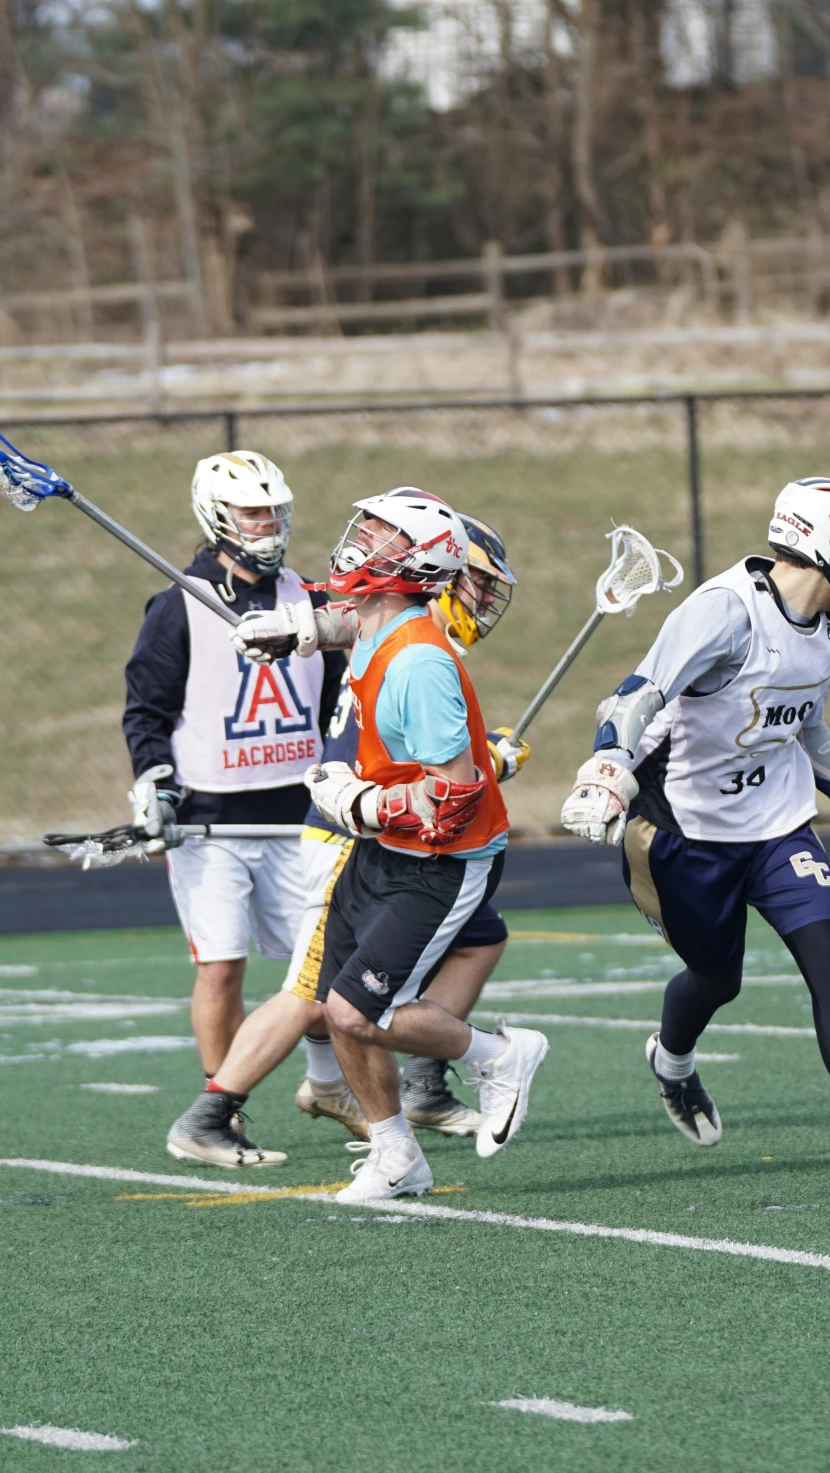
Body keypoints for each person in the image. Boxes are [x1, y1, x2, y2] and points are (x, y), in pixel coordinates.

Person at [560, 477, 830, 1182]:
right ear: (829, 545)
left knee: (828, 953)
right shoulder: (724, 612)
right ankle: (672, 1061)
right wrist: (605, 768)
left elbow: (803, 720)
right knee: (716, 978)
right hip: (688, 827)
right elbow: (639, 694)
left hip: (778, 824)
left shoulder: (821, 629)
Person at [163, 516, 524, 1166]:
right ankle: (212, 1110)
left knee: (480, 939)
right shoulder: (407, 645)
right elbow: (438, 787)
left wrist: (298, 631)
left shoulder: (400, 637)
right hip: (356, 833)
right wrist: (297, 633)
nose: (478, 600)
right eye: (473, 583)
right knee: (319, 994)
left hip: (387, 826)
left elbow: (440, 773)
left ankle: (406, 1081)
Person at [295, 488, 549, 1205]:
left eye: (381, 532)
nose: (361, 536)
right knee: (329, 1001)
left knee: (355, 1011)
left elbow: (452, 795)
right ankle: (396, 1155)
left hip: (440, 859)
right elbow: (341, 621)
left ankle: (500, 1054)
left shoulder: (421, 662)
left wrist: (355, 798)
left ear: (412, 563)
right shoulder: (376, 619)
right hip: (382, 852)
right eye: (367, 523)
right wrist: (287, 629)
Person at [120, 451, 343, 1150]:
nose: (268, 523)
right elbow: (145, 710)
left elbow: (339, 703)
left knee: (322, 972)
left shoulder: (309, 602)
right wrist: (153, 778)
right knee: (221, 967)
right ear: (219, 517)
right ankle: (224, 1111)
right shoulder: (178, 604)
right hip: (212, 823)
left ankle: (330, 1086)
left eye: (275, 509)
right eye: (253, 511)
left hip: (301, 816)